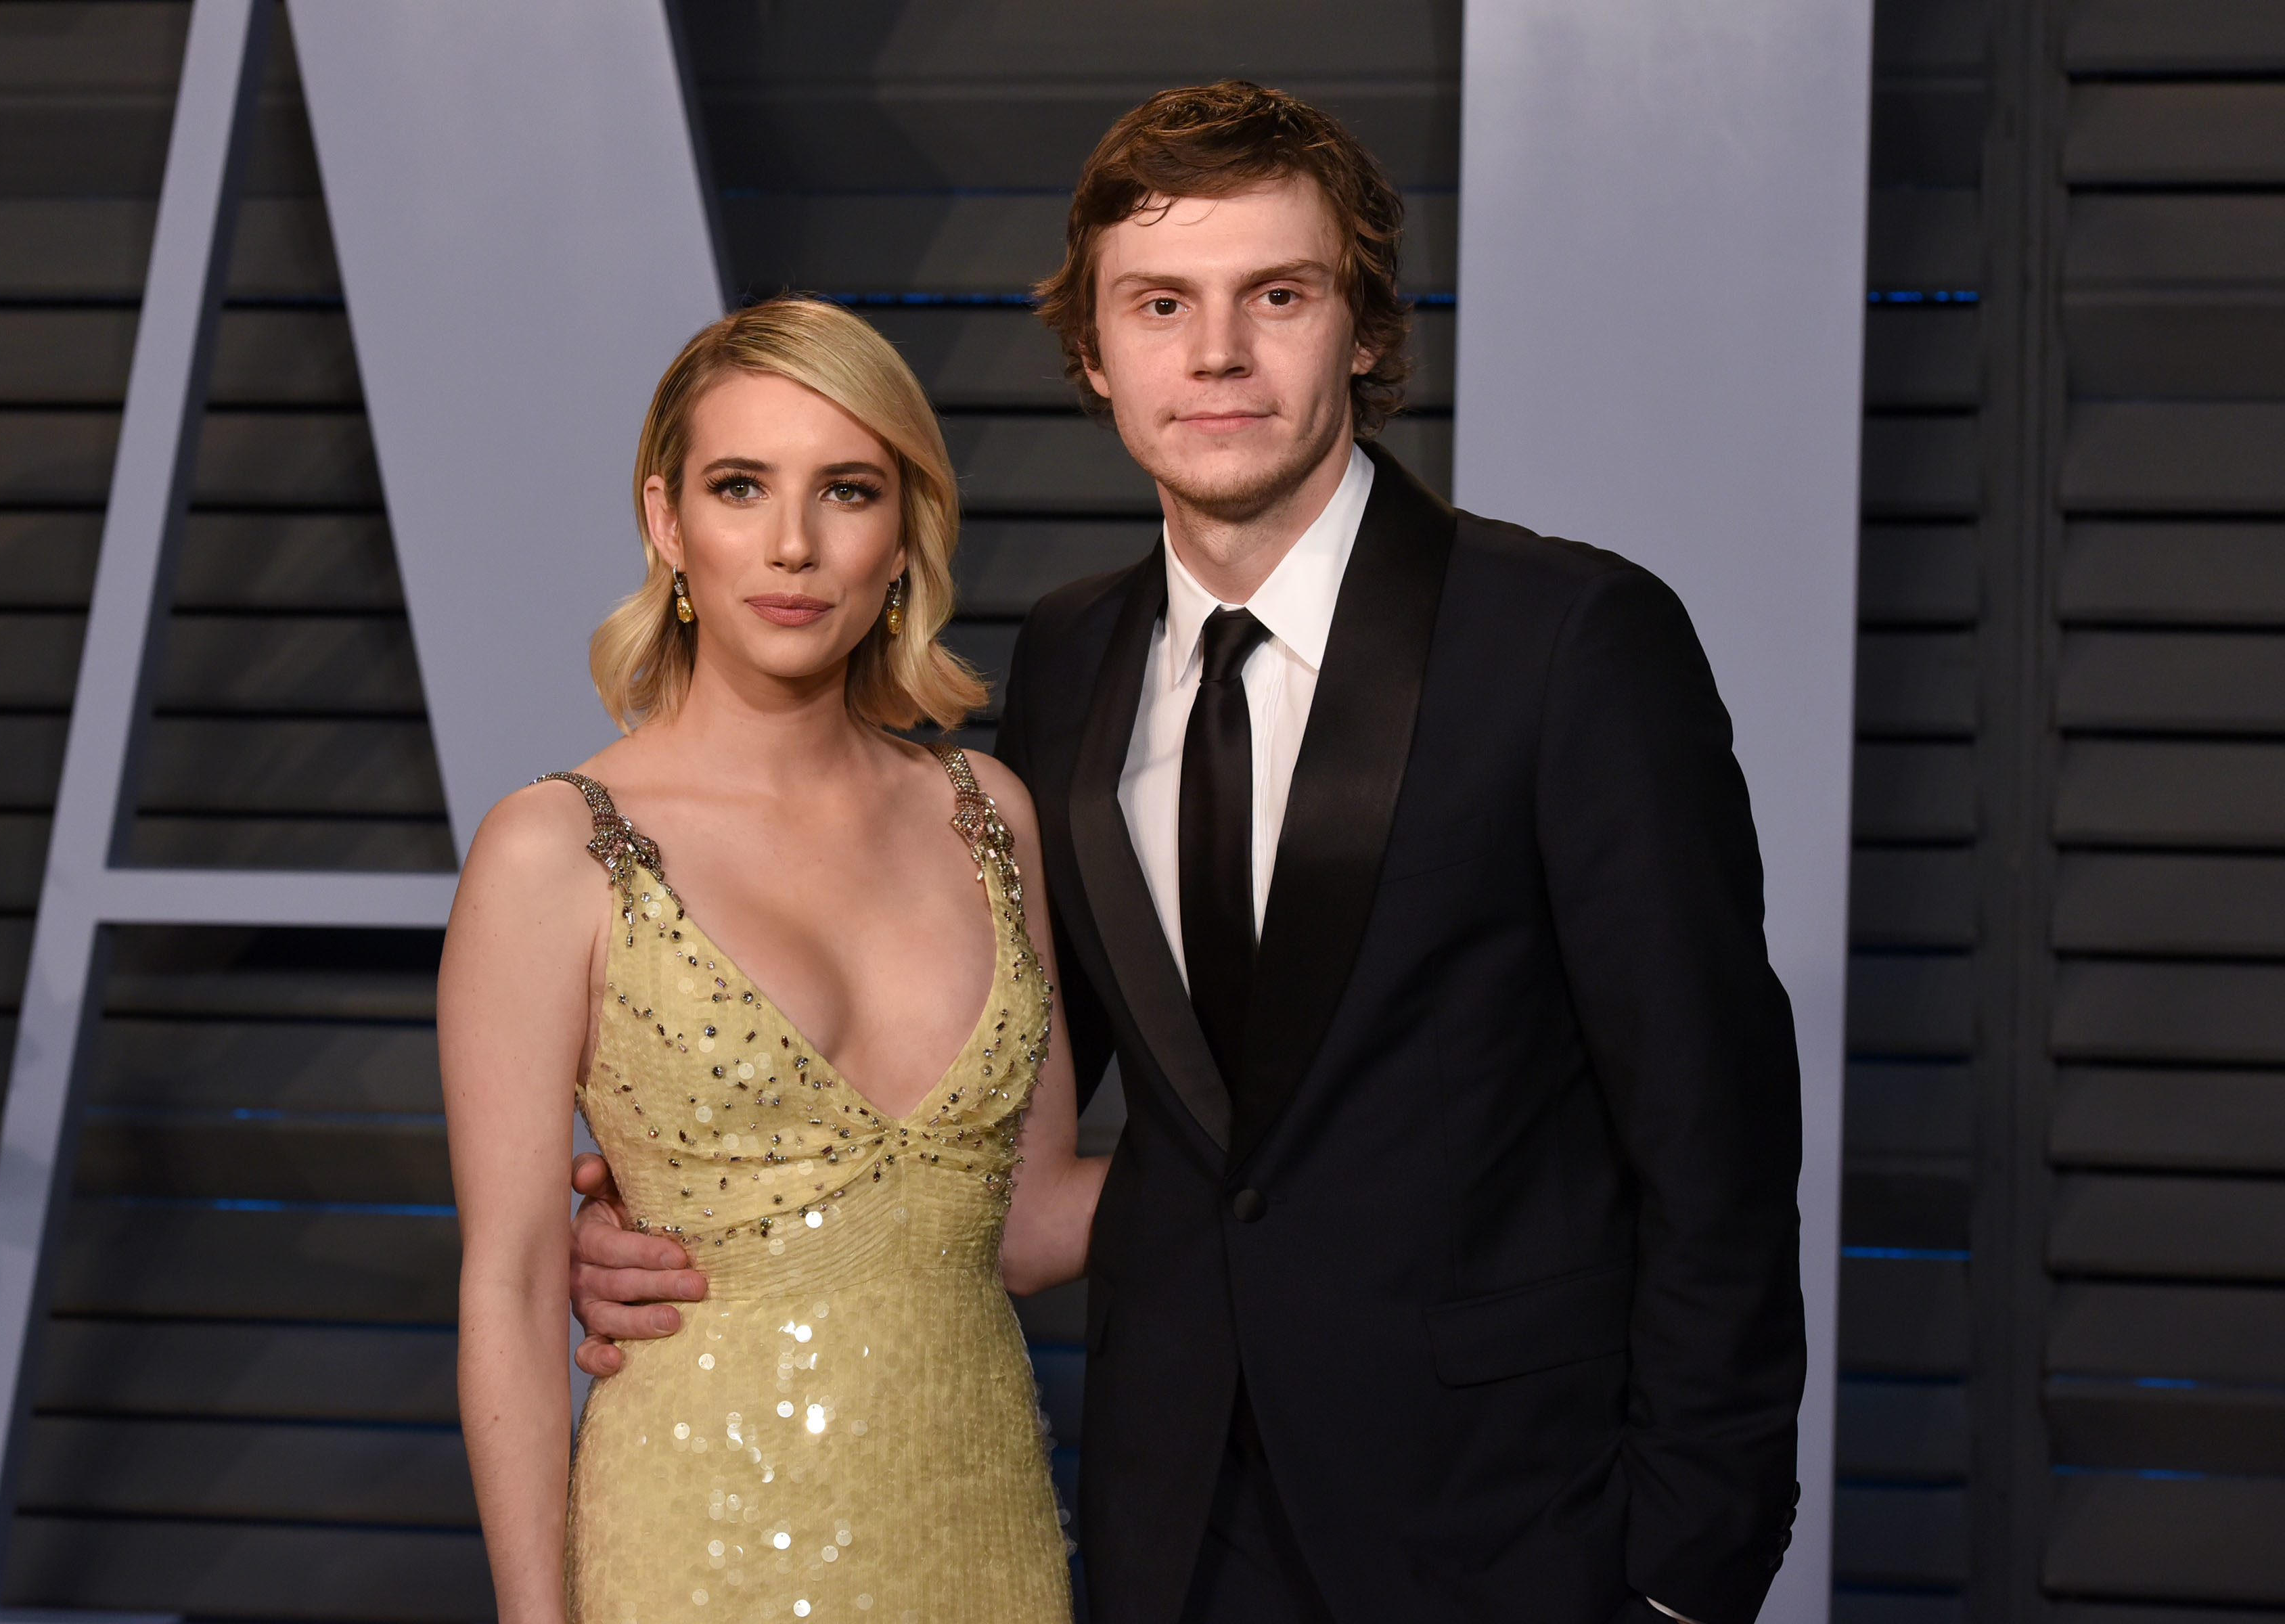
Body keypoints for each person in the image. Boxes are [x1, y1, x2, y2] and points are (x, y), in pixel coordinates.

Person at [570, 83, 1807, 1623]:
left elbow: (1717, 1134)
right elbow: (982, 1111)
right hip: (1172, 1524)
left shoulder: (1572, 642)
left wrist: (1691, 1572)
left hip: (1512, 1527)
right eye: (1160, 305)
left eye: (1275, 296)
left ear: (1359, 327)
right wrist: (674, 1216)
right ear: (1095, 353)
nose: (1215, 354)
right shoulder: (1076, 657)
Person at [440, 296, 1098, 1623]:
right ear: (669, 521)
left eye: (847, 491)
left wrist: (1317, 1138)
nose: (793, 545)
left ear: (903, 532)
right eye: (741, 487)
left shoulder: (990, 815)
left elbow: (1030, 1228)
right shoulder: (552, 850)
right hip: (694, 1546)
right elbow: (510, 1283)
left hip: (988, 1548)